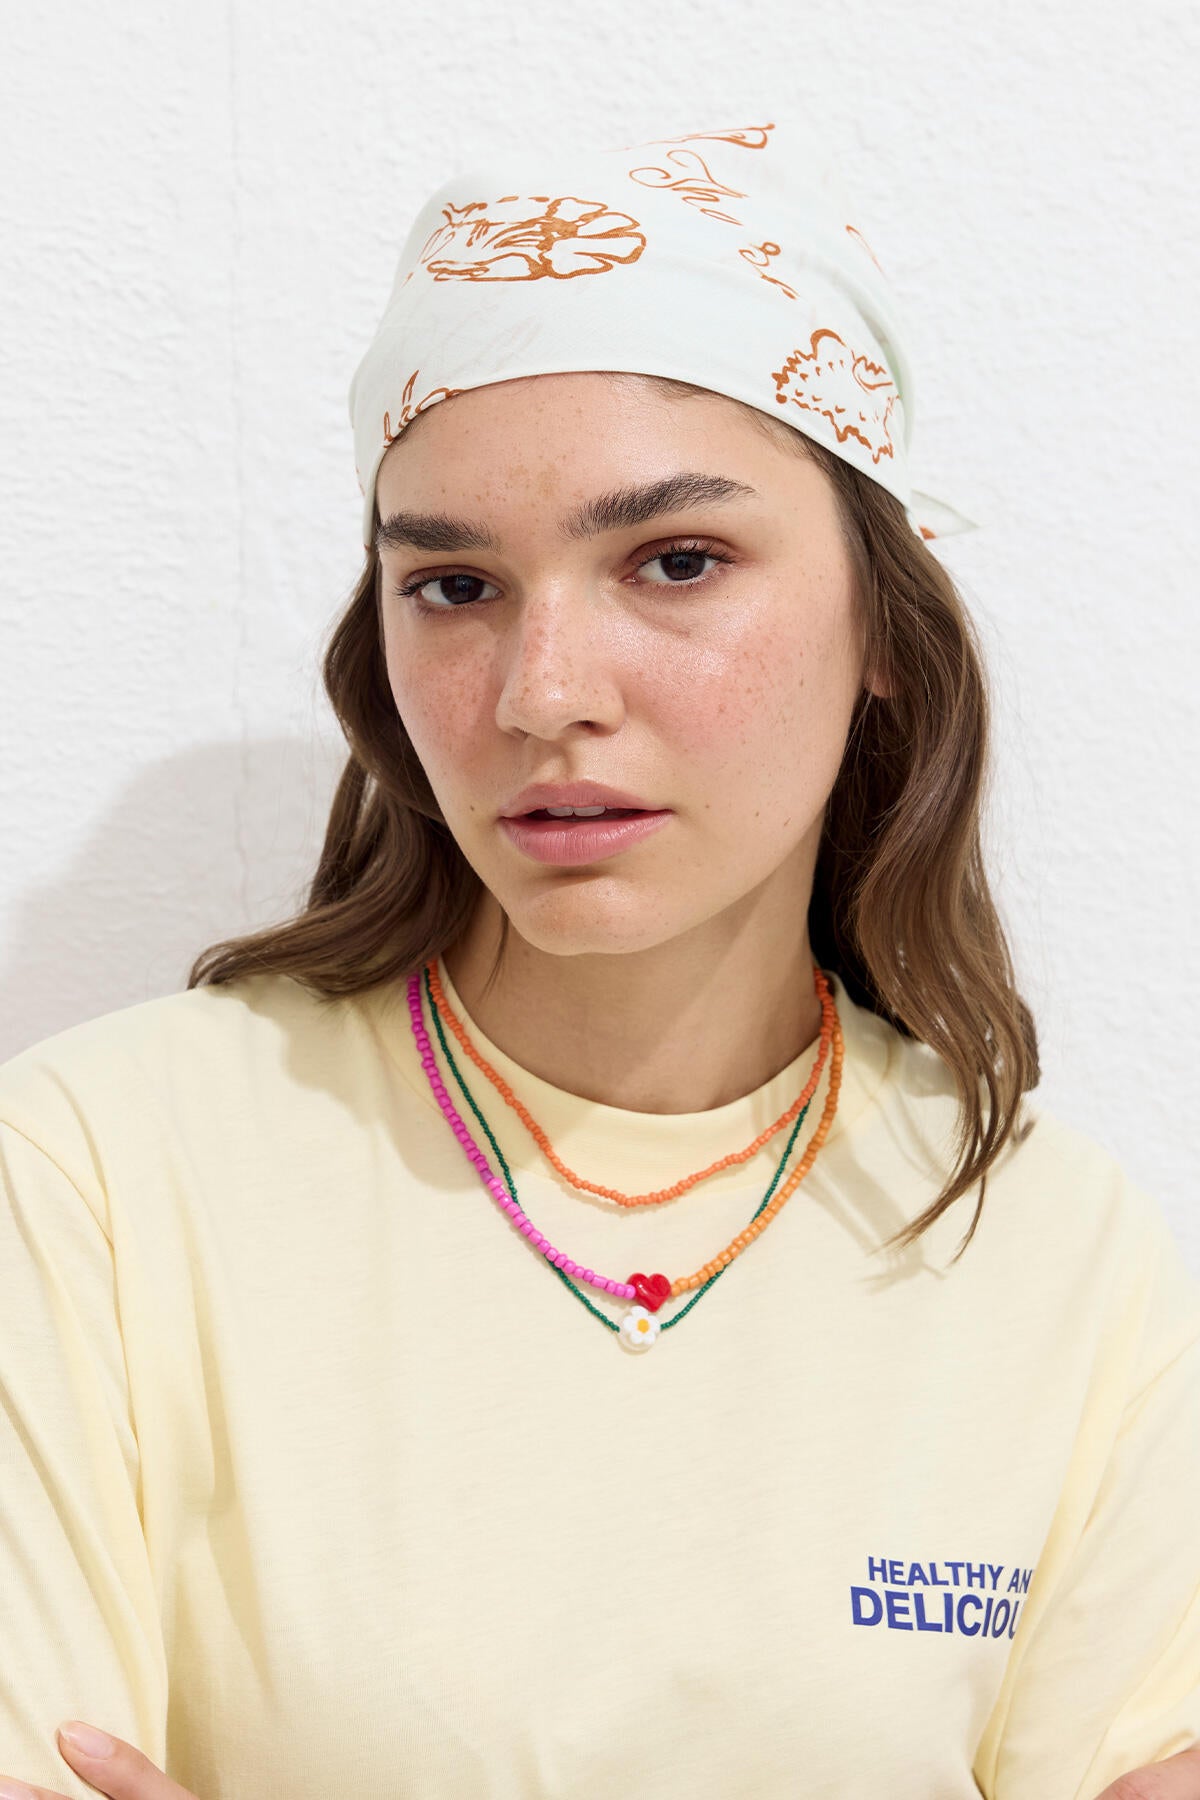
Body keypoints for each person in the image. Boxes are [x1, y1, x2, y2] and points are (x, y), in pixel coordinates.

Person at [1, 118, 1198, 1800]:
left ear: (883, 622)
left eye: (676, 562)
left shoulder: (1054, 1251)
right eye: (455, 584)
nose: (542, 690)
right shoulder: (100, 1175)